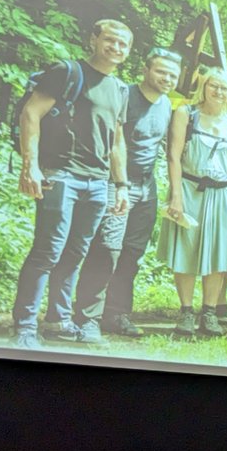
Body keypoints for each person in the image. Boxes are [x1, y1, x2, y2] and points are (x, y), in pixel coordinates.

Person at [12, 18, 132, 349]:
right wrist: (30, 166)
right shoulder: (67, 72)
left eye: (123, 44)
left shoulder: (120, 89)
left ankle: (58, 320)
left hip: (98, 182)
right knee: (47, 251)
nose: (116, 47)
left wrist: (121, 185)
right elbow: (30, 114)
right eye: (110, 40)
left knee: (74, 254)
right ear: (93, 39)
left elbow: (116, 141)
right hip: (61, 175)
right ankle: (24, 326)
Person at [61, 47, 181, 342]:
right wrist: (119, 183)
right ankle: (87, 317)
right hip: (115, 184)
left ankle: (116, 314)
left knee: (131, 253)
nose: (167, 78)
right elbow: (111, 140)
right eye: (161, 72)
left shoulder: (167, 104)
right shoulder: (124, 95)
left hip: (146, 188)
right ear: (146, 70)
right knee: (106, 250)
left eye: (172, 75)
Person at [157, 67, 227, 338]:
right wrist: (176, 196)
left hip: (225, 194)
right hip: (190, 189)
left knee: (219, 253)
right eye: (214, 86)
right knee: (185, 250)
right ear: (204, 87)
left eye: (224, 88)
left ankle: (209, 311)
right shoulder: (187, 114)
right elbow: (173, 156)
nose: (219, 91)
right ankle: (186, 311)